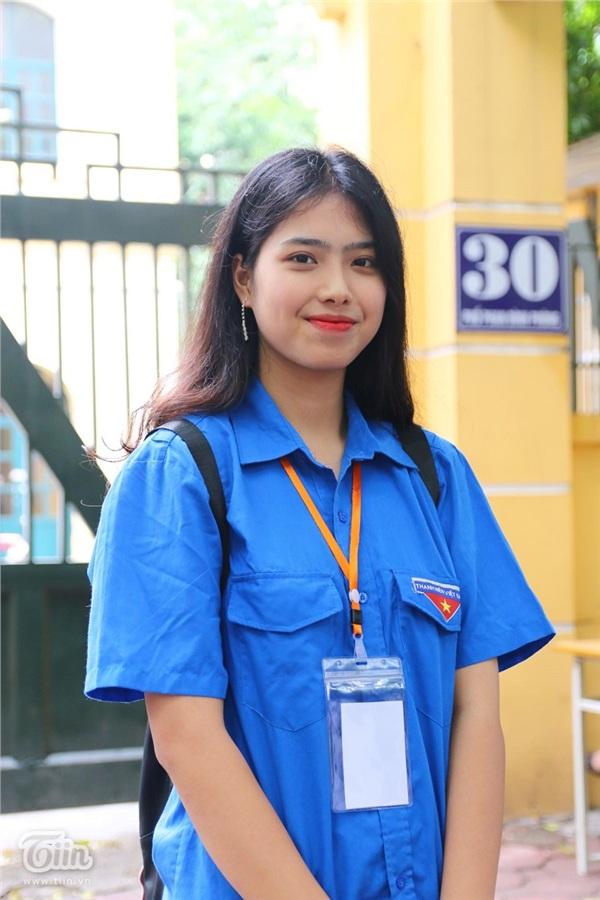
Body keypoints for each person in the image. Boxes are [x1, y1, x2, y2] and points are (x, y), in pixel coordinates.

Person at [84, 146, 556, 900]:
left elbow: (476, 714)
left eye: (364, 263)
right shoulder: (181, 477)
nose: (338, 287)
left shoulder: (436, 478)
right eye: (304, 257)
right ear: (243, 277)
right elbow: (186, 736)